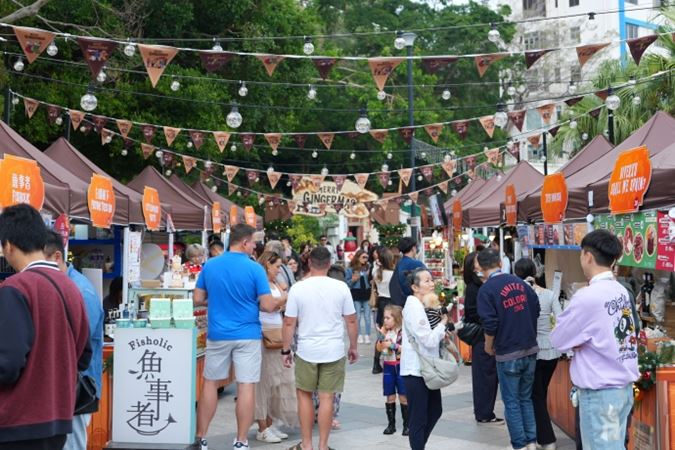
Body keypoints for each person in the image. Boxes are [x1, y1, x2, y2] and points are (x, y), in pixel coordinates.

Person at [0, 204, 91, 450]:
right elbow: (84, 356)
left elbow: (7, 364)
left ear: (8, 245)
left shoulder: (15, 288)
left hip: (17, 422)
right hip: (58, 420)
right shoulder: (72, 287)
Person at [193, 224, 281, 450]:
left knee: (210, 383)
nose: (254, 247)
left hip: (218, 333)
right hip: (248, 334)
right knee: (246, 386)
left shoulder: (210, 265)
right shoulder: (255, 269)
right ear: (244, 242)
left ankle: (201, 438)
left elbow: (197, 299)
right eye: (253, 243)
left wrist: (217, 301)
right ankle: (241, 441)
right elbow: (267, 305)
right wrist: (283, 298)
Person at [551, 230, 639, 450]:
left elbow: (559, 339)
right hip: (622, 388)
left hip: (600, 394)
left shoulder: (587, 296)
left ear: (587, 256)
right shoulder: (620, 290)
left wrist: (578, 341)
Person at [281, 247, 359, 450]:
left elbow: (289, 322)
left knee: (304, 395)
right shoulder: (341, 287)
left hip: (306, 349)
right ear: (329, 263)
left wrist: (286, 349)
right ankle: (323, 446)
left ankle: (306, 445)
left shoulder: (298, 288)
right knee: (327, 397)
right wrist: (353, 346)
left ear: (309, 263)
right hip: (333, 349)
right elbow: (351, 320)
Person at [43, 231, 104, 450]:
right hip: (66, 387)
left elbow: (78, 345)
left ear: (57, 257)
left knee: (72, 445)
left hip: (78, 388)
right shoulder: (65, 286)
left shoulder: (81, 291)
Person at [476, 248, 540, 450]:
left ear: (480, 268)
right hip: (530, 348)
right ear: (500, 263)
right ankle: (531, 441)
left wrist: (488, 346)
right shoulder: (521, 283)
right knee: (525, 398)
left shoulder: (486, 290)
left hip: (507, 352)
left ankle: (519, 445)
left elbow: (490, 324)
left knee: (512, 401)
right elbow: (536, 308)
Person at [514, 258, 561, 450]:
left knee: (535, 396)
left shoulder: (519, 296)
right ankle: (538, 438)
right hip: (552, 351)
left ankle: (546, 440)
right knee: (540, 394)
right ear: (535, 272)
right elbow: (561, 319)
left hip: (532, 351)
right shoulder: (549, 294)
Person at [401, 268, 450, 450]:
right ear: (415, 287)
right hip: (416, 369)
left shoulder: (422, 305)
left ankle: (419, 445)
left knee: (435, 410)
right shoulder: (414, 307)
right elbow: (428, 340)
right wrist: (442, 324)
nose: (431, 284)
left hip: (427, 368)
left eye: (431, 280)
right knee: (418, 418)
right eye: (427, 281)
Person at [254, 252, 296, 444]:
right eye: (277, 266)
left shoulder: (275, 283)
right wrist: (282, 300)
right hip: (265, 334)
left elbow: (278, 305)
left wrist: (279, 302)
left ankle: (269, 423)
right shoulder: (260, 283)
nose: (279, 270)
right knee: (263, 383)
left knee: (276, 383)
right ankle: (262, 427)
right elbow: (268, 306)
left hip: (277, 332)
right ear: (267, 265)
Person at [463, 252, 502, 425]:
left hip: (485, 335)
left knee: (487, 375)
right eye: (478, 261)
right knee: (485, 375)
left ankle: (484, 411)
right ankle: (484, 412)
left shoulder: (483, 284)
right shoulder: (475, 287)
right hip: (482, 336)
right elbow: (472, 313)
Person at [376, 305, 408, 436]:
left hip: (400, 365)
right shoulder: (386, 332)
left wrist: (392, 345)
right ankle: (391, 424)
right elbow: (379, 348)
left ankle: (407, 425)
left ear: (397, 318)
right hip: (388, 365)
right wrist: (381, 336)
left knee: (403, 396)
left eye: (388, 318)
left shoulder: (403, 332)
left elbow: (405, 349)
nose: (385, 320)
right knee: (390, 395)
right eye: (384, 318)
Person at [372, 247, 395, 374]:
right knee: (394, 332)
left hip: (381, 303)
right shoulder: (392, 274)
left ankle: (376, 363)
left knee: (382, 333)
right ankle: (392, 358)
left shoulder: (377, 273)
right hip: (391, 303)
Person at [389, 237, 426, 307]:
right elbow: (427, 279)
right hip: (416, 301)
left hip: (402, 302)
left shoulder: (399, 263)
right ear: (413, 248)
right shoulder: (417, 264)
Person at [345, 249, 372, 344]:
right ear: (358, 257)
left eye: (367, 257)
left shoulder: (368, 267)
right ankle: (359, 335)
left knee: (367, 316)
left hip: (367, 293)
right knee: (358, 316)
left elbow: (371, 281)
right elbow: (347, 283)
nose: (365, 259)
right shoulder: (351, 269)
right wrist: (353, 280)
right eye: (363, 257)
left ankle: (367, 335)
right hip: (356, 293)